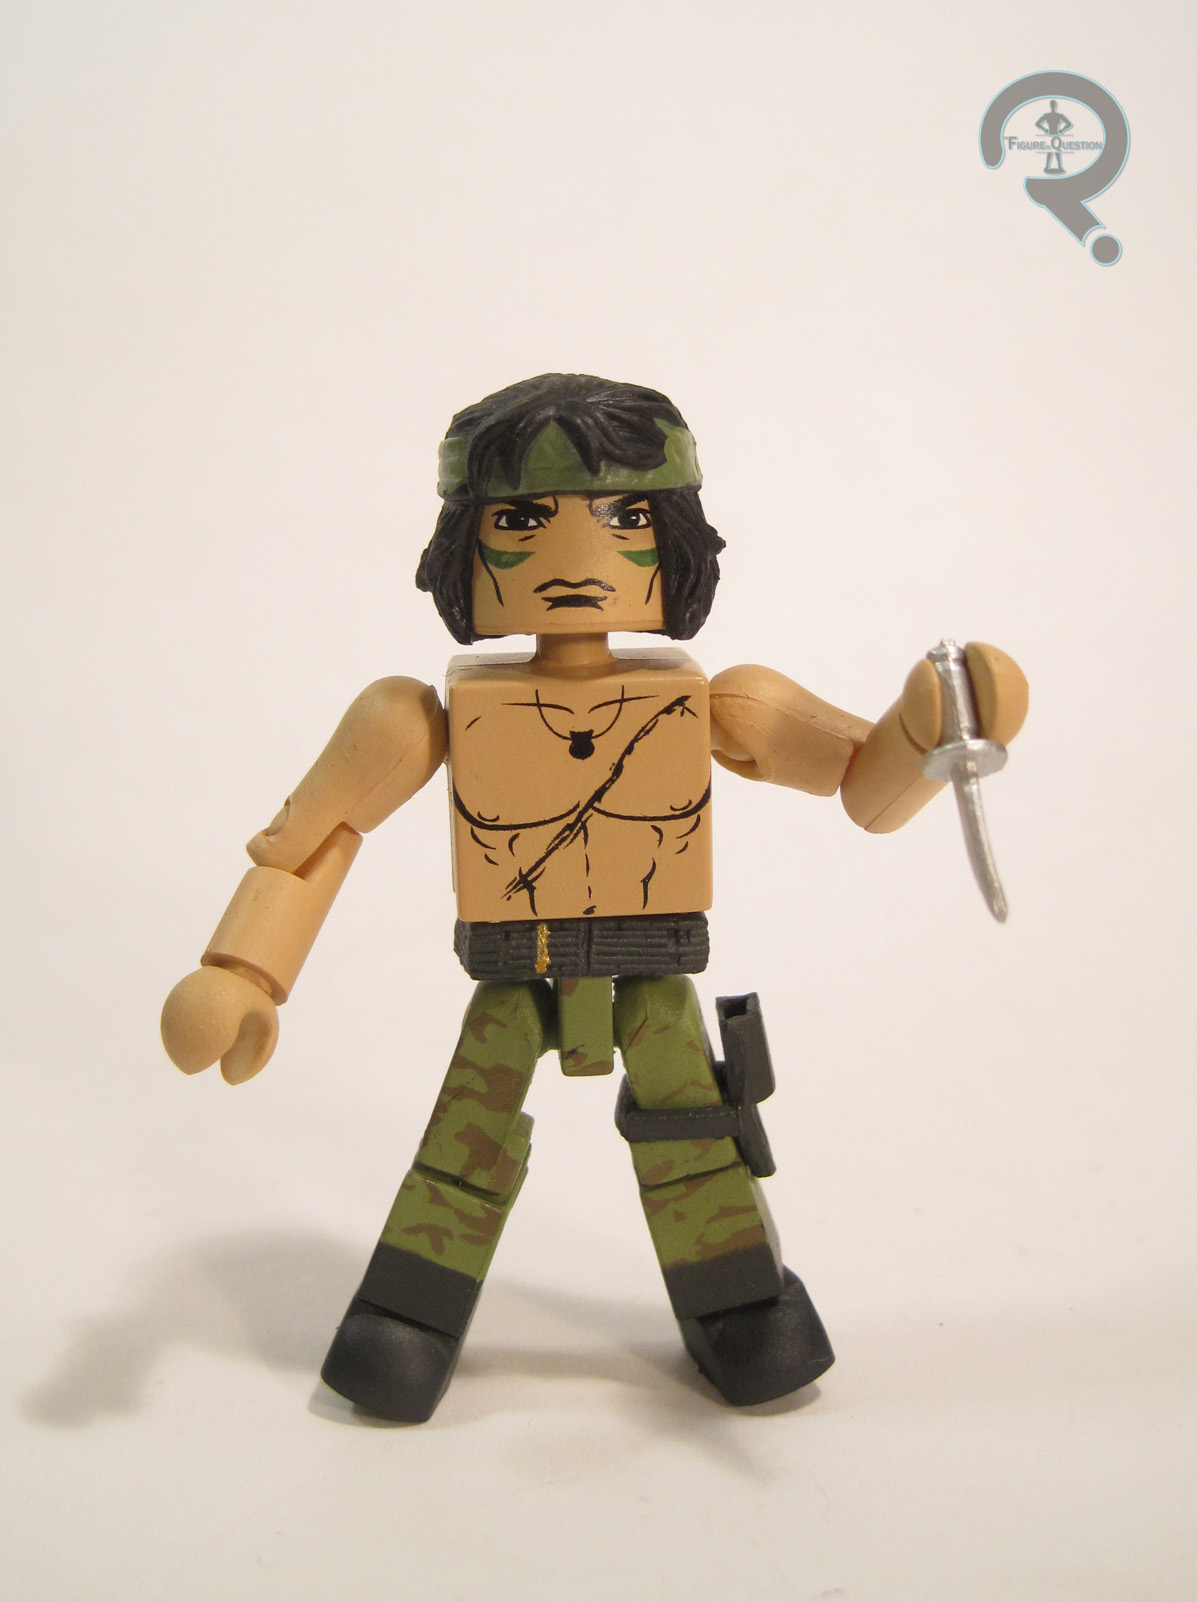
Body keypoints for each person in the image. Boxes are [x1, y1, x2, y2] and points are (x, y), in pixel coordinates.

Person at [162, 373, 1028, 1421]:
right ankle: (409, 1316)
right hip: (514, 973)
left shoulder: (723, 702)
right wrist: (243, 971)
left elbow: (860, 783)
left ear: (676, 540)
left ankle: (740, 1305)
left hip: (651, 969)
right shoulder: (415, 717)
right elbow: (318, 838)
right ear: (463, 545)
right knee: (465, 1139)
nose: (577, 558)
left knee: (694, 1138)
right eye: (522, 520)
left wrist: (933, 729)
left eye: (623, 517)